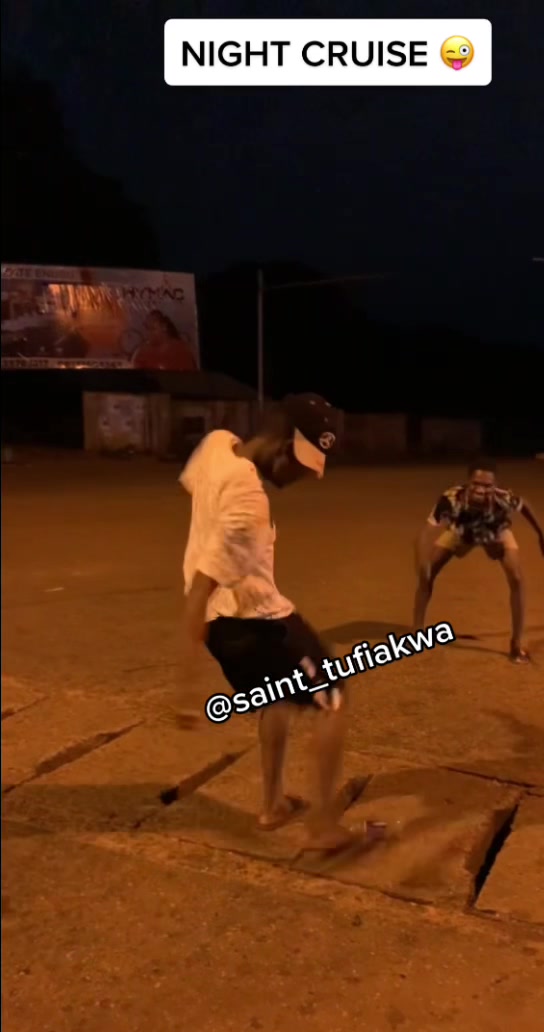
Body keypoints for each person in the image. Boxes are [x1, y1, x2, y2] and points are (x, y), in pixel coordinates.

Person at [177, 393, 353, 852]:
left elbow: (193, 485)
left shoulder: (217, 444)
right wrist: (186, 689)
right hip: (258, 624)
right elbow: (199, 591)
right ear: (280, 444)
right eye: (299, 464)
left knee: (276, 699)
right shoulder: (250, 502)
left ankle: (273, 806)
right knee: (333, 698)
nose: (301, 477)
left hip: (224, 630)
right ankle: (324, 826)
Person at [413, 460, 544, 663]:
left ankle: (516, 645)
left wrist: (542, 538)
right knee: (428, 574)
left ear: (494, 486)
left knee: (516, 578)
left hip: (495, 533)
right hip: (461, 532)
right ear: (468, 483)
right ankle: (417, 634)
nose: (481, 490)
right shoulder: (452, 498)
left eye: (487, 486)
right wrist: (422, 563)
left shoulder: (503, 498)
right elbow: (424, 533)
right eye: (476, 484)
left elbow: (525, 506)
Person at [132, 310, 197, 371]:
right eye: (147, 328)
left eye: (152, 329)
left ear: (164, 327)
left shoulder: (181, 349)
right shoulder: (141, 352)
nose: (148, 333)